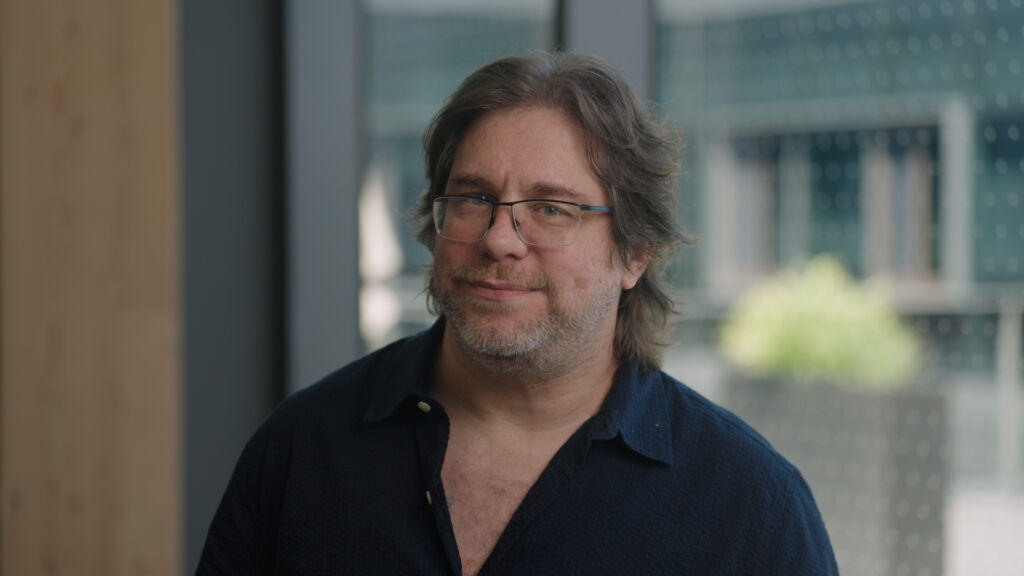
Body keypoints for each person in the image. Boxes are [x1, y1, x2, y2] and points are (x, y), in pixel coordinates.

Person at [197, 52, 839, 575]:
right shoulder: (303, 447)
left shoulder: (751, 508)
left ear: (635, 253)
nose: (500, 239)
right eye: (473, 198)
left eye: (552, 209)